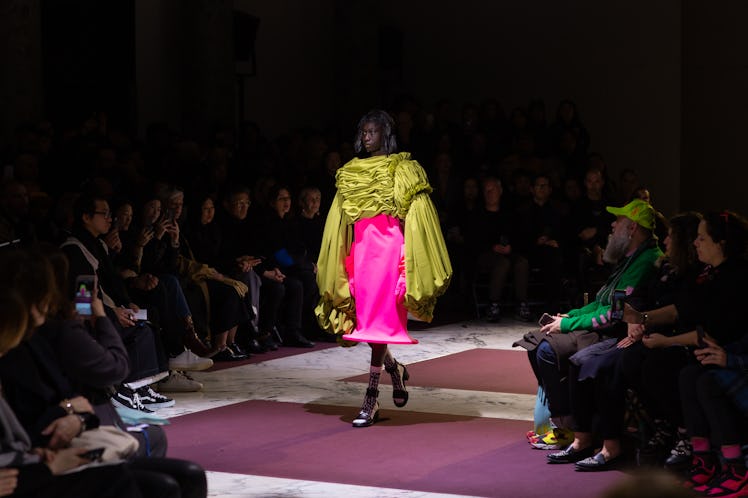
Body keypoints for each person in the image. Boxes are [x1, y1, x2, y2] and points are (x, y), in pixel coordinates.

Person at [316, 109, 452, 427]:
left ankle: (371, 397)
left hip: (390, 252)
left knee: (379, 325)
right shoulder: (349, 171)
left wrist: (408, 264)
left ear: (385, 134)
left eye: (372, 131)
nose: (366, 137)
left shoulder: (403, 168)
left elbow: (415, 219)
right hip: (360, 252)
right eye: (363, 131)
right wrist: (338, 261)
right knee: (363, 326)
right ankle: (394, 369)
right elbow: (340, 222)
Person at [515, 198, 662, 455]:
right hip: (600, 327)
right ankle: (566, 421)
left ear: (632, 229)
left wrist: (570, 323)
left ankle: (568, 427)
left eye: (618, 221)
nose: (612, 225)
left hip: (612, 333)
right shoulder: (630, 258)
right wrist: (569, 316)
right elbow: (601, 301)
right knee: (534, 340)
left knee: (547, 351)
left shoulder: (648, 260)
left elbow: (614, 313)